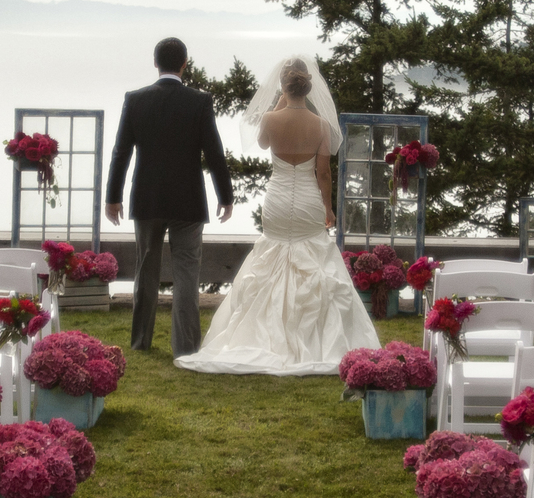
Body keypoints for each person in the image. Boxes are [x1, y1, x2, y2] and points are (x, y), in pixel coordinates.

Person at [175, 53, 381, 376]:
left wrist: (275, 106)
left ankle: (263, 333)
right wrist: (327, 209)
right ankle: (312, 336)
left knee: (270, 259)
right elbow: (323, 174)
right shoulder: (322, 125)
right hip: (309, 202)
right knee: (315, 261)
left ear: (283, 87)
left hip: (277, 199)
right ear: (309, 88)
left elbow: (260, 142)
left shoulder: (270, 120)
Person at [105, 37, 233, 356]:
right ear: (185, 64)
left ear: (155, 62)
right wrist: (225, 196)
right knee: (187, 274)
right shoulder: (199, 102)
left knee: (146, 270)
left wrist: (113, 197)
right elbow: (214, 152)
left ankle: (140, 342)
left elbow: (121, 151)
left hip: (147, 199)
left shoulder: (135, 99)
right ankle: (186, 348)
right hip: (189, 201)